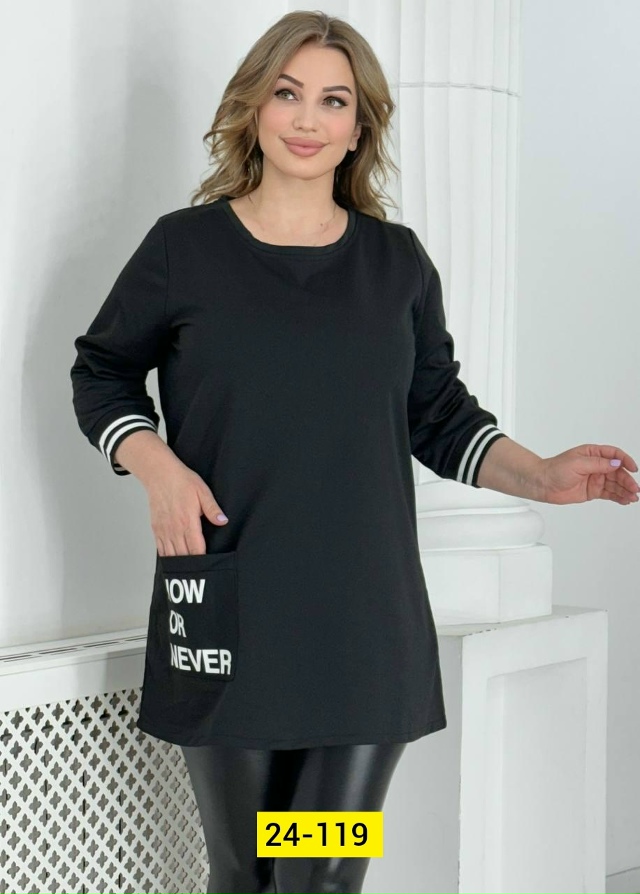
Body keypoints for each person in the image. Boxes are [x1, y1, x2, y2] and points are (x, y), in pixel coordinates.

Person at [69, 10, 639, 894]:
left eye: (334, 101)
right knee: (250, 873)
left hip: (363, 626)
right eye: (287, 93)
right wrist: (156, 465)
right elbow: (101, 373)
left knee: (321, 877)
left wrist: (542, 476)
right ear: (254, 106)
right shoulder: (185, 249)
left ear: (360, 125)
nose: (308, 119)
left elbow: (439, 417)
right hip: (229, 609)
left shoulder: (395, 264)